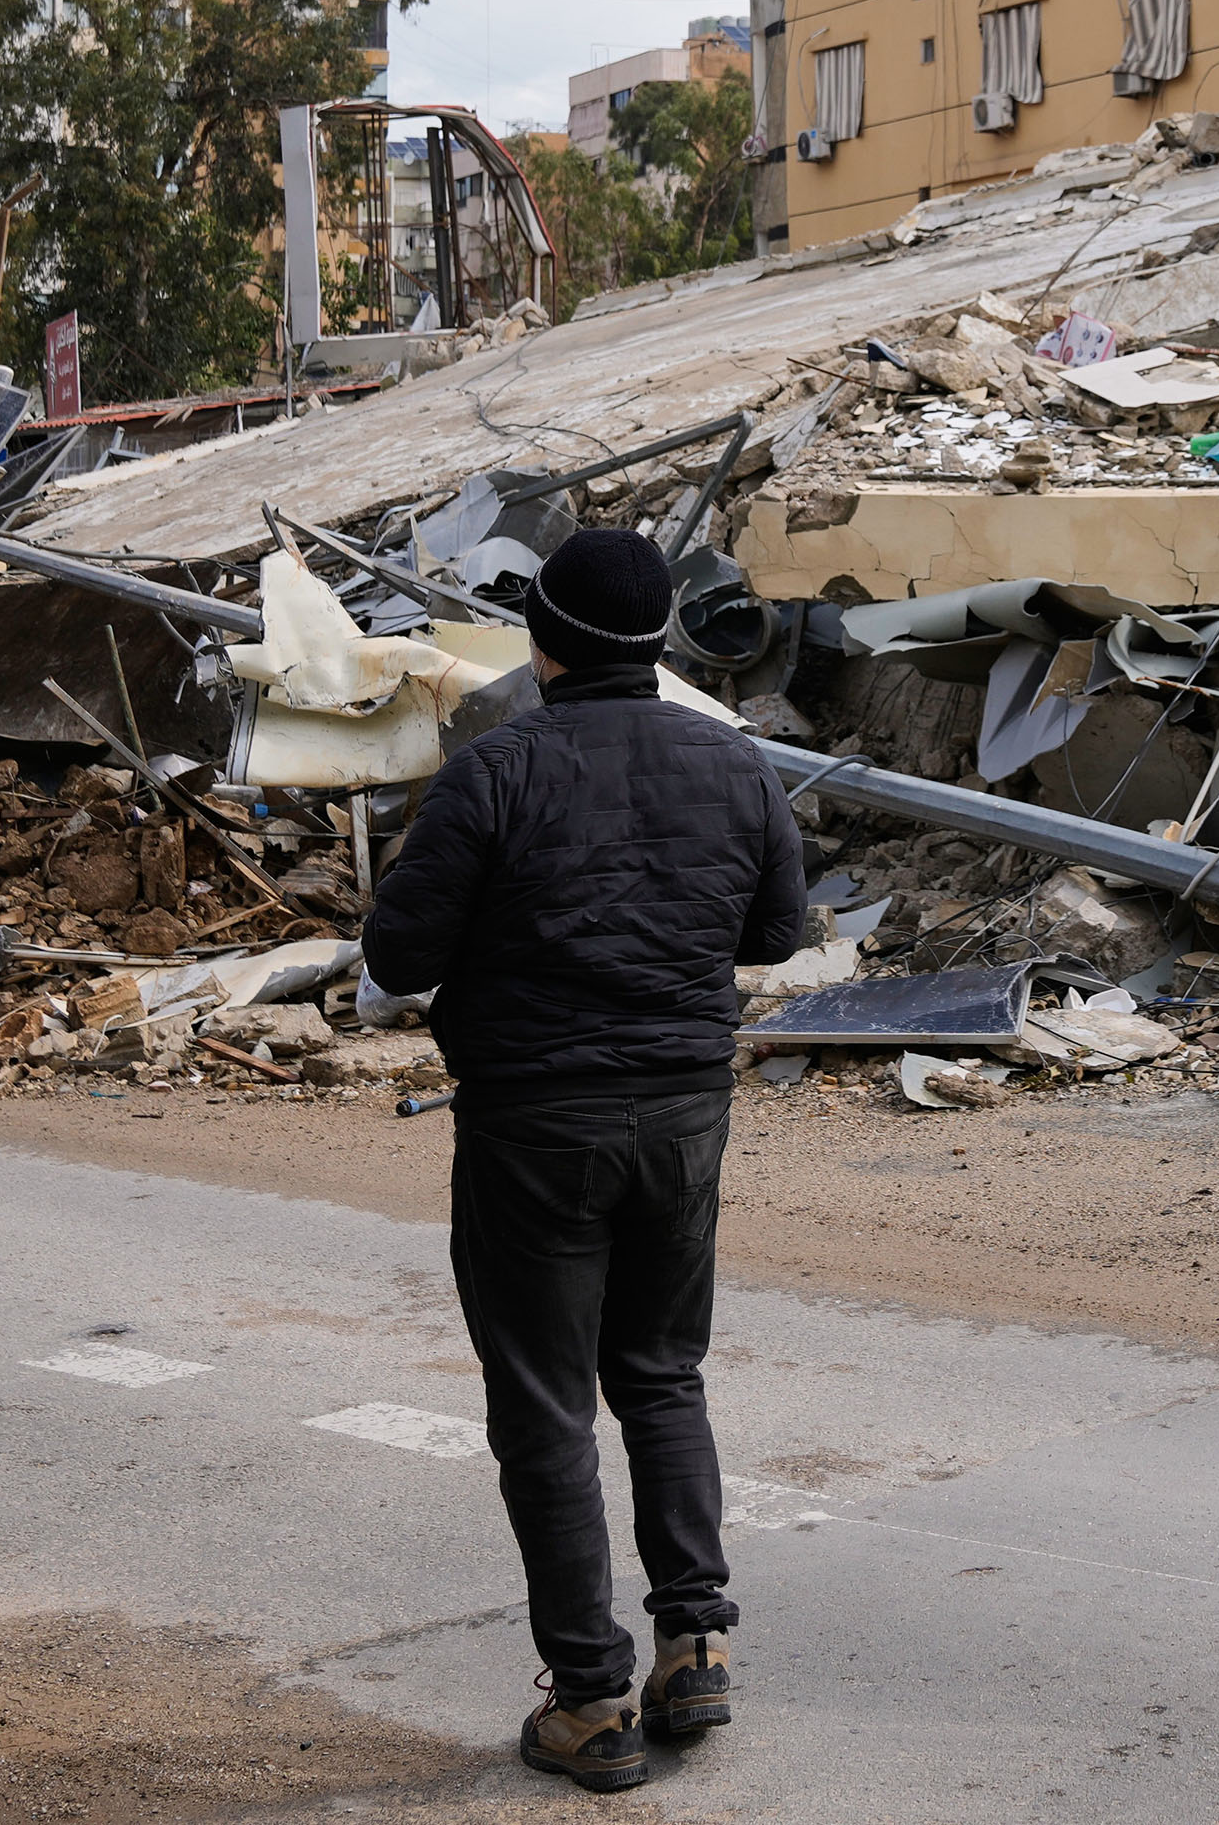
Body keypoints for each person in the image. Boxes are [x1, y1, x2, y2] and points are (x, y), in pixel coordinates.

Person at [358, 528, 809, 1794]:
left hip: (536, 1125)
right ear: (659, 640)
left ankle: (592, 1701)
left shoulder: (492, 772)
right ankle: (693, 1647)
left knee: (549, 1407)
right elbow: (778, 931)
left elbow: (399, 960)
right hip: (681, 1116)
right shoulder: (733, 760)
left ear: (542, 643)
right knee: (662, 1374)